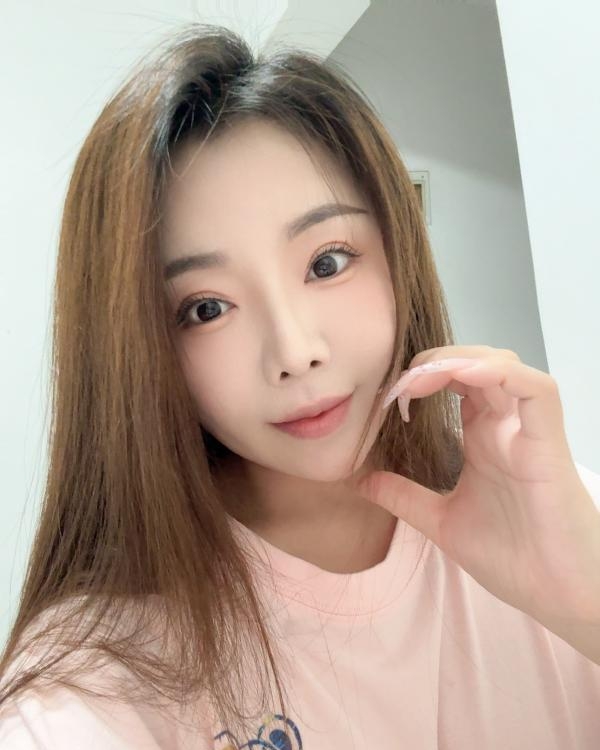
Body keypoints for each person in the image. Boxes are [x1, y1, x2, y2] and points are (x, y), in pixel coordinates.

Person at [1, 22, 599, 749]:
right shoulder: (101, 674)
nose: (295, 352)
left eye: (327, 262)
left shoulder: (560, 516)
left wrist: (583, 599)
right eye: (206, 308)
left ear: (398, 251)